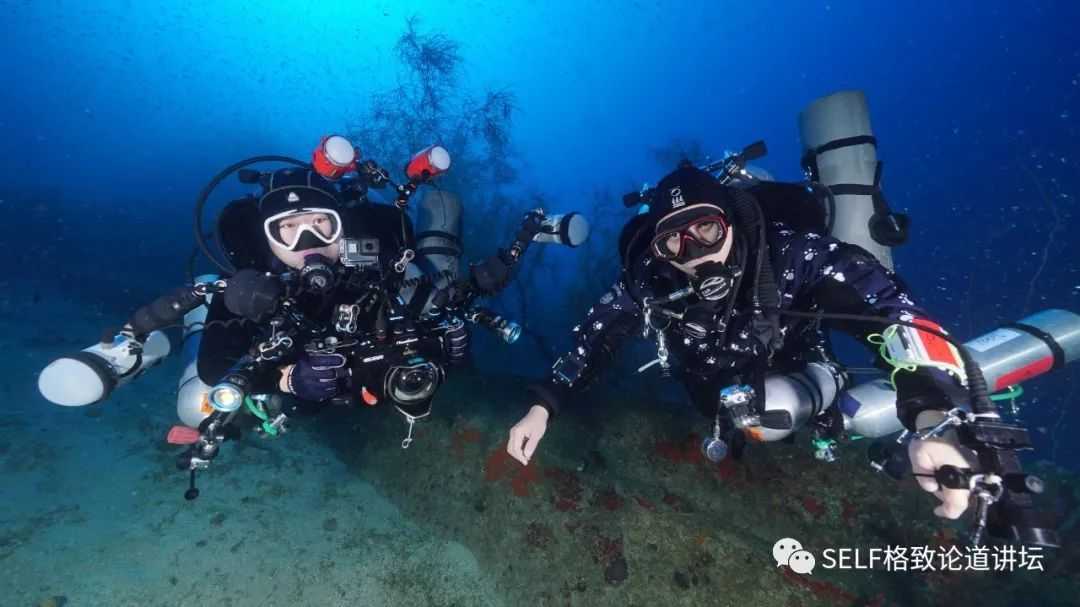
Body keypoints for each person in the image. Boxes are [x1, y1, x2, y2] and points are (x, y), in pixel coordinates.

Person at [505, 164, 977, 520]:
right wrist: (543, 406)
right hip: (709, 386)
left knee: (776, 415)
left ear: (729, 220)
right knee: (738, 416)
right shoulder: (651, 283)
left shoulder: (792, 254)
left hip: (794, 360)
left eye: (706, 229)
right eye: (674, 243)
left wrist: (932, 419)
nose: (694, 254)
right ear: (659, 250)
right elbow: (593, 337)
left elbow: (893, 311)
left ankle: (825, 397)